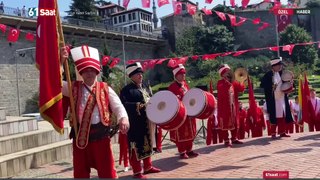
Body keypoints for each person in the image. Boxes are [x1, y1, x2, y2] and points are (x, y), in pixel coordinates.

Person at [60, 45, 130, 178]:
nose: (89, 73)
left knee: (107, 172)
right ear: (81, 72)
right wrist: (61, 63)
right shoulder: (73, 87)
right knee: (80, 173)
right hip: (80, 138)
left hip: (101, 137)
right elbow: (55, 83)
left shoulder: (105, 88)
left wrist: (123, 118)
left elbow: (118, 106)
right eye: (86, 71)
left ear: (97, 72)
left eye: (92, 70)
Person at [120, 62, 161, 178]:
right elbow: (124, 105)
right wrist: (139, 105)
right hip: (135, 124)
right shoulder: (126, 90)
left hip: (148, 121)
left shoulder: (146, 88)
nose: (140, 76)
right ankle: (137, 171)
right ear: (131, 76)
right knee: (136, 147)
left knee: (148, 143)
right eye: (137, 74)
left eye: (141, 73)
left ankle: (148, 167)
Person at [168, 64, 199, 159]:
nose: (183, 76)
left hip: (189, 112)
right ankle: (182, 151)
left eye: (184, 74)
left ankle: (189, 150)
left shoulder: (185, 84)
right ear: (176, 75)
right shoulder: (172, 87)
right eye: (181, 74)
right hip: (180, 114)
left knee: (191, 131)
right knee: (181, 133)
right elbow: (172, 101)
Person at [260, 57, 293, 139]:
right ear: (274, 66)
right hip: (273, 99)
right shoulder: (268, 75)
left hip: (282, 98)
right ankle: (273, 133)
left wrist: (290, 84)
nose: (280, 67)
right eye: (279, 65)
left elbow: (287, 83)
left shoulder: (283, 73)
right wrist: (271, 86)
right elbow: (262, 85)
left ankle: (282, 132)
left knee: (282, 115)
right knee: (273, 116)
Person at [217, 64, 245, 147]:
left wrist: (240, 81)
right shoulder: (220, 83)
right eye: (226, 72)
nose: (229, 73)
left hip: (234, 107)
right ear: (222, 74)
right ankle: (226, 140)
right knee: (225, 123)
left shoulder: (233, 82)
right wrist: (230, 82)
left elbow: (241, 89)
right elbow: (223, 90)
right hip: (224, 108)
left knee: (235, 122)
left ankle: (234, 138)